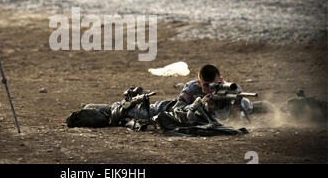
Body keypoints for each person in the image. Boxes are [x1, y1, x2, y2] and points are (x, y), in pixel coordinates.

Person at [67, 64, 262, 129]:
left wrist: (235, 105)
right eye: (205, 86)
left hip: (200, 116)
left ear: (222, 80)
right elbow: (177, 111)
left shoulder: (230, 90)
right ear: (199, 83)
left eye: (214, 86)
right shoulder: (191, 88)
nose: (209, 90)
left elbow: (235, 122)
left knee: (250, 105)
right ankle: (92, 107)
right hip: (165, 110)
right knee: (132, 111)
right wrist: (198, 105)